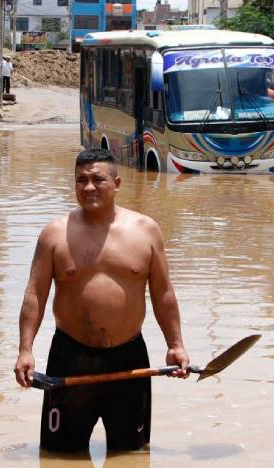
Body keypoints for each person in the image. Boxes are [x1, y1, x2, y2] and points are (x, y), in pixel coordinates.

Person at [14, 148, 190, 452]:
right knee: (60, 459)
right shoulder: (54, 235)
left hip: (129, 357)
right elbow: (34, 295)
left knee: (130, 457)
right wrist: (25, 350)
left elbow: (163, 294)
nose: (89, 187)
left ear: (117, 183)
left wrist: (175, 344)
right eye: (81, 180)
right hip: (70, 357)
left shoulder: (146, 231)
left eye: (98, 179)